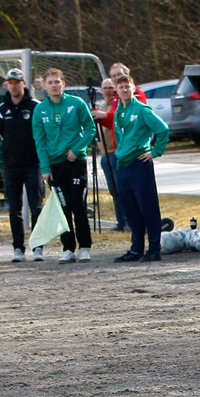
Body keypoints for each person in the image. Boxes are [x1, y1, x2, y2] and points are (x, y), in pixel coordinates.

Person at [31, 67, 96, 264]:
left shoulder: (77, 103)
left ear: (63, 83)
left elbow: (90, 128)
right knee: (63, 207)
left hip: (76, 162)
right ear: (45, 85)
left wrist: (76, 149)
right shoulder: (40, 109)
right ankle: (68, 248)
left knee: (78, 204)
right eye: (50, 82)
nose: (54, 85)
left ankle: (85, 246)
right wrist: (45, 167)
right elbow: (39, 141)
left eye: (57, 82)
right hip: (55, 164)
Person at [111, 73, 170, 263]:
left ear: (134, 88)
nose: (125, 90)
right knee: (131, 209)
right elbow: (120, 138)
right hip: (123, 165)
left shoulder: (142, 110)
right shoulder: (119, 112)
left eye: (127, 86)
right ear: (116, 90)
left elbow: (162, 129)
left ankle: (154, 248)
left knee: (148, 207)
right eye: (121, 87)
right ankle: (136, 248)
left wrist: (155, 151)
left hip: (139, 163)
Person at [0, 68, 44, 263]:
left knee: (36, 206)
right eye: (10, 82)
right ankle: (18, 248)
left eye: (17, 82)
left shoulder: (35, 106)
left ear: (24, 83)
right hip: (11, 165)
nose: (14, 85)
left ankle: (38, 246)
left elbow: (41, 134)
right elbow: (2, 133)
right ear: (7, 84)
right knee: (14, 208)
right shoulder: (2, 109)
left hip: (33, 164)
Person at [96, 77, 126, 231]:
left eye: (110, 87)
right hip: (104, 154)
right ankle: (120, 221)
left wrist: (102, 116)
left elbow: (115, 119)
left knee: (122, 189)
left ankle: (128, 221)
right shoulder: (102, 105)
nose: (108, 90)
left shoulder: (117, 104)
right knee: (113, 191)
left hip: (115, 153)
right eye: (105, 88)